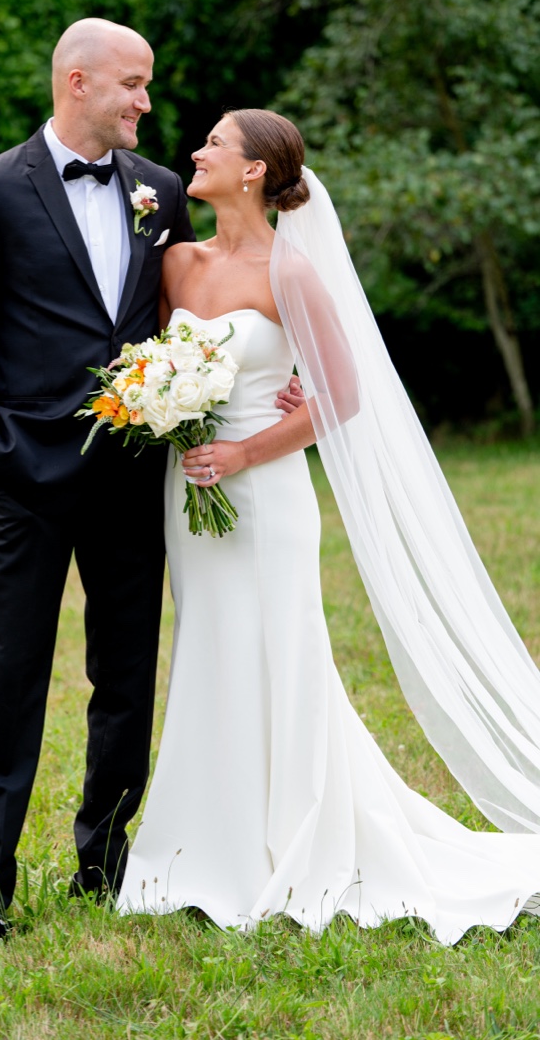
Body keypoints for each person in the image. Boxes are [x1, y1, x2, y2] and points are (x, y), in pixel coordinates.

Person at [118, 108, 540, 940]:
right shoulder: (175, 263)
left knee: (281, 648)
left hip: (266, 495)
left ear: (251, 173)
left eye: (214, 144)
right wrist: (162, 410)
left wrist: (249, 450)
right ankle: (207, 836)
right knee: (207, 643)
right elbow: (155, 362)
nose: (195, 152)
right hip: (191, 493)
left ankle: (293, 836)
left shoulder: (293, 273)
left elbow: (341, 397)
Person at [0, 19, 201, 941]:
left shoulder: (160, 192)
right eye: (132, 84)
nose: (145, 103)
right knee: (10, 678)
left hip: (133, 479)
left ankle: (106, 860)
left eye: (149, 86)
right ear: (76, 82)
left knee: (125, 677)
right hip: (27, 481)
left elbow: (186, 326)